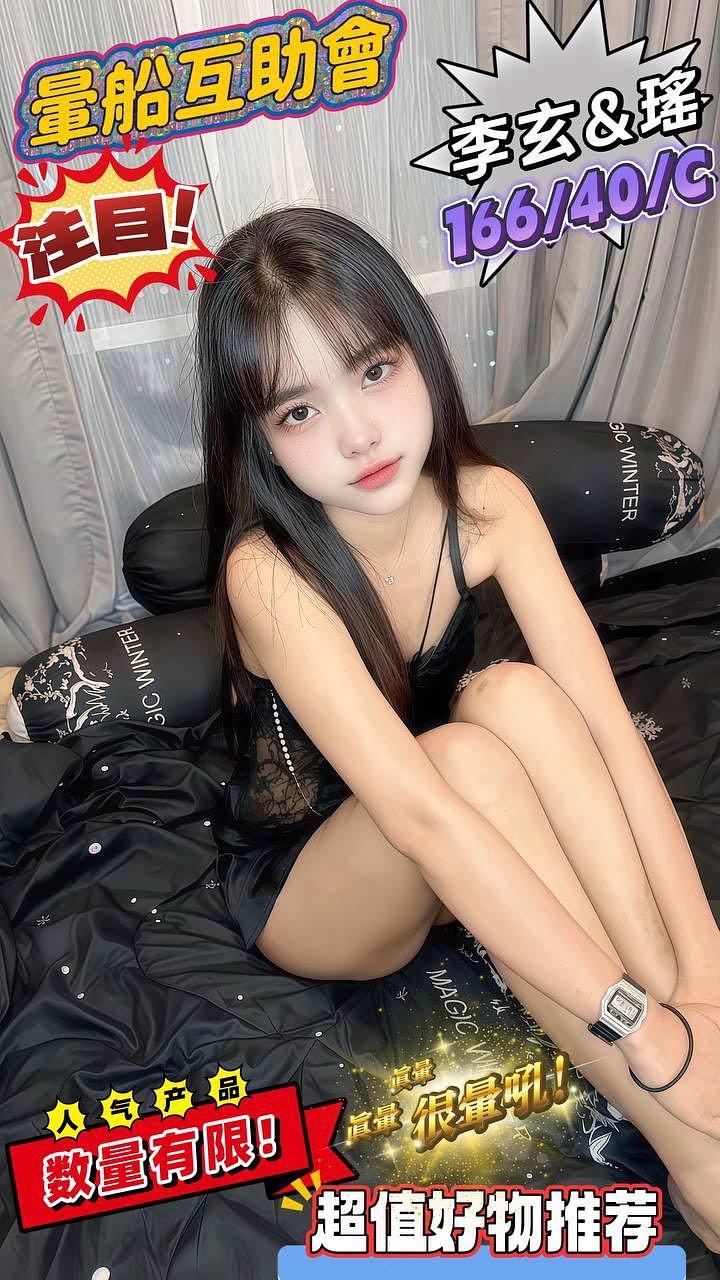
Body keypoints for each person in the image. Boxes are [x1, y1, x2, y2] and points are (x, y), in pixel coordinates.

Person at [195, 205, 720, 1248]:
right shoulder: (267, 574)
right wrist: (644, 1032)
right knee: (464, 757)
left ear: (420, 351)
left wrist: (701, 975)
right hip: (320, 883)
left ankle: (699, 1024)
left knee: (516, 695)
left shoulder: (490, 504)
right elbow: (421, 816)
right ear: (258, 439)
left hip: (454, 827)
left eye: (373, 370)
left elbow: (613, 734)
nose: (358, 434)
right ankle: (697, 1152)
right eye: (299, 410)